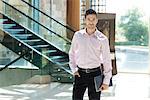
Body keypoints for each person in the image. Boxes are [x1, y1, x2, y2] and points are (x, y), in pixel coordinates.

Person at [69, 9, 112, 100]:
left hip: (95, 74)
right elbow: (72, 53)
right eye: (89, 19)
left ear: (97, 20)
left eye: (93, 19)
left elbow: (106, 60)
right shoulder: (77, 35)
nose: (91, 22)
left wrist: (106, 81)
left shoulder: (103, 39)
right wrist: (74, 69)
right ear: (85, 20)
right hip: (80, 74)